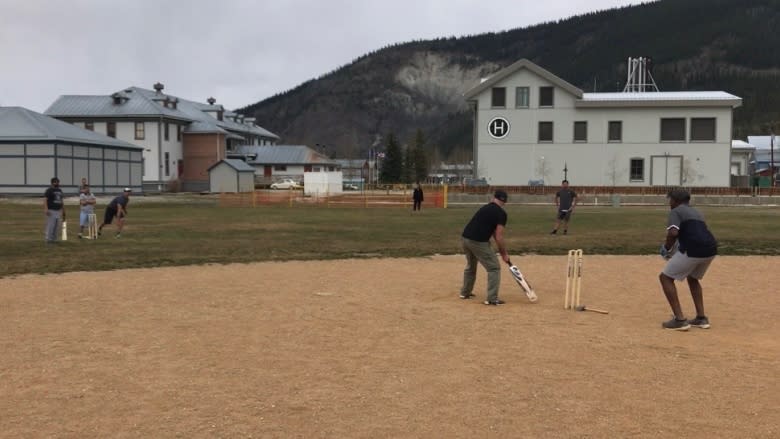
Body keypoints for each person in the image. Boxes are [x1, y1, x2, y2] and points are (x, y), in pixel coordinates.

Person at [658, 189, 718, 331]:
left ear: (676, 201)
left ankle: (679, 320)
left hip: (693, 249)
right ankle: (701, 318)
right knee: (692, 278)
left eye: (670, 200)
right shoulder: (697, 212)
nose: (669, 203)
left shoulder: (676, 211)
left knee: (665, 278)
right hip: (710, 248)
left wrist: (667, 248)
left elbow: (673, 232)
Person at [459, 190, 510, 305]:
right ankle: (492, 298)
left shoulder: (485, 208)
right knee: (494, 268)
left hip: (465, 238)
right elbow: (499, 236)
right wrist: (504, 254)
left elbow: (490, 229)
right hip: (478, 241)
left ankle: (465, 292)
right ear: (505, 201)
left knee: (471, 266)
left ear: (494, 198)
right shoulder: (501, 213)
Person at [43, 177, 66, 243]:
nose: (57, 183)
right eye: (56, 182)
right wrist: (46, 209)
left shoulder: (60, 190)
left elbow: (61, 200)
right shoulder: (49, 190)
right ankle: (48, 239)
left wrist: (63, 210)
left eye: (58, 182)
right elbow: (45, 200)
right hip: (51, 210)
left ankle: (54, 239)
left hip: (58, 210)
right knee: (51, 226)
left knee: (57, 226)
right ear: (52, 183)